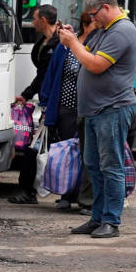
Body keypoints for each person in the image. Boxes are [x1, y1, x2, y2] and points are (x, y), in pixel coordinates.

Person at [58, 0, 136, 239]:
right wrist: (73, 38)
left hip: (112, 108)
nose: (92, 19)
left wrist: (72, 43)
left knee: (111, 165)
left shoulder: (123, 31)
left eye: (94, 14)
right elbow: (84, 52)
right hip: (95, 109)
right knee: (94, 165)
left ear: (106, 7)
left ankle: (111, 221)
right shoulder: (105, 30)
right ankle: (97, 217)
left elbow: (95, 65)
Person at [39, 11, 98, 211]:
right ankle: (66, 193)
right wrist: (46, 102)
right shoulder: (67, 45)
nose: (95, 27)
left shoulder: (97, 45)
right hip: (66, 106)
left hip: (88, 107)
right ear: (85, 24)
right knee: (66, 153)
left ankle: (85, 196)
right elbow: (53, 72)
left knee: (87, 154)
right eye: (91, 24)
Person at [9, 4, 60, 204]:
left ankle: (29, 190)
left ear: (44, 20)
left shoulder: (57, 45)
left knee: (35, 147)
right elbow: (41, 75)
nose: (32, 22)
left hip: (54, 103)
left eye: (35, 18)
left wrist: (33, 94)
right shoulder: (44, 43)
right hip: (46, 101)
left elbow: (48, 76)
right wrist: (27, 94)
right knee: (38, 146)